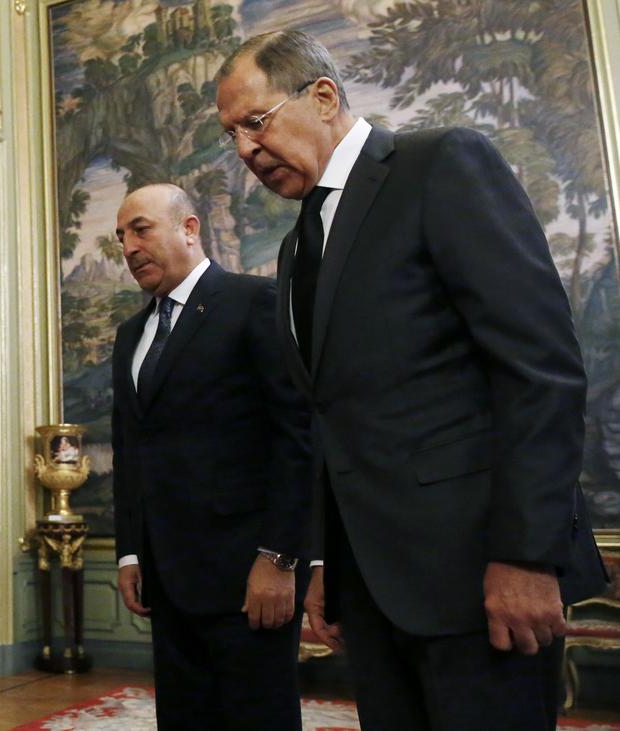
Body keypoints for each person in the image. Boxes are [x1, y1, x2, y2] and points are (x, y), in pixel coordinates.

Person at [214, 30, 609, 730]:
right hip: (373, 594)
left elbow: (538, 368)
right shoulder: (299, 243)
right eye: (232, 136)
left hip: (480, 580)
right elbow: (330, 415)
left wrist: (525, 557)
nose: (245, 149)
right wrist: (326, 562)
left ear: (324, 96)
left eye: (255, 121)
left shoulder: (440, 165)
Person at [111, 184, 312, 729]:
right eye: (121, 238)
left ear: (190, 229)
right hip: (166, 579)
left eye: (141, 229)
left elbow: (297, 435)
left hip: (248, 575)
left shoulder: (254, 301)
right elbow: (131, 448)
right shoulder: (131, 334)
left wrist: (280, 558)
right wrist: (130, 552)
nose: (129, 248)